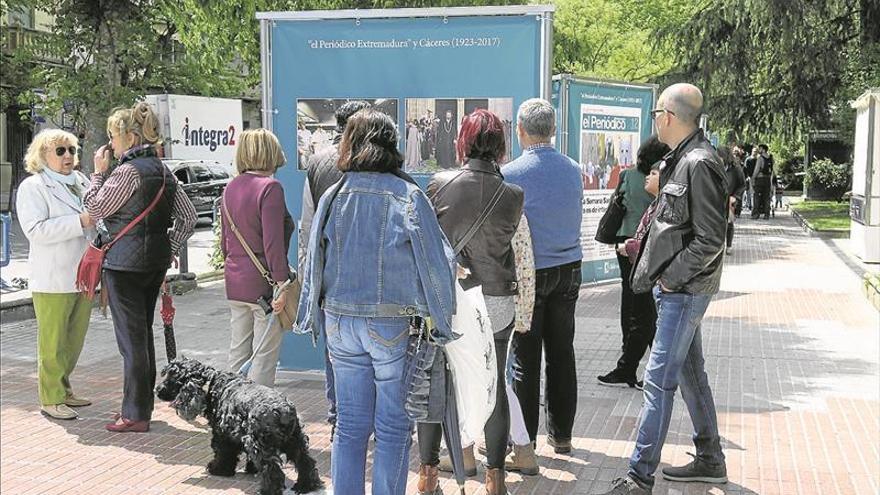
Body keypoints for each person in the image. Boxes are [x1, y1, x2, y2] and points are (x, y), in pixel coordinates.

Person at [296, 109, 456, 495]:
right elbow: (437, 263)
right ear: (391, 146)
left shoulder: (334, 195)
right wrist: (441, 320)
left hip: (339, 321)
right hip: (391, 323)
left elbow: (312, 258)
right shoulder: (408, 196)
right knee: (392, 428)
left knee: (349, 427)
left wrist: (310, 316)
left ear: (350, 143)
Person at [598, 83, 728, 495]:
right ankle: (710, 459)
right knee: (690, 375)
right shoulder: (682, 160)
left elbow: (711, 238)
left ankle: (639, 476)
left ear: (668, 116)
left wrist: (671, 277)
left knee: (658, 382)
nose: (654, 119)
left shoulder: (699, 163)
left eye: (657, 113)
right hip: (679, 289)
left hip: (683, 291)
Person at [419, 109, 525, 495]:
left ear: (462, 140)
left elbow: (429, 244)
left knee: (435, 382)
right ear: (500, 145)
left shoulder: (438, 183)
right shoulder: (513, 195)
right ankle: (496, 481)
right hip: (495, 300)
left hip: (448, 300)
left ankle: (428, 476)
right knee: (493, 385)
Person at [85, 102, 197, 433]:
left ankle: (135, 413)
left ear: (129, 137)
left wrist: (96, 174)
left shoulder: (125, 172)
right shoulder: (164, 171)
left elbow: (94, 208)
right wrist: (170, 248)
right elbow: (188, 219)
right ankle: (141, 407)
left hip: (123, 266)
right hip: (153, 265)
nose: (110, 144)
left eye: (112, 136)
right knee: (142, 335)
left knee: (131, 341)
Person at [503, 98, 583, 454]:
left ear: (520, 130)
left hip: (530, 274)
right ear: (553, 130)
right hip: (569, 270)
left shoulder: (510, 174)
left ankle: (525, 440)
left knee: (525, 357)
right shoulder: (573, 169)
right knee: (562, 353)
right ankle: (562, 436)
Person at [298, 100, 378, 436]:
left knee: (336, 349)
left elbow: (307, 227)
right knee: (373, 349)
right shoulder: (377, 163)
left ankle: (337, 415)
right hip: (370, 273)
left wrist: (307, 275)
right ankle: (367, 416)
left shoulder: (317, 164)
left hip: (330, 272)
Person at [16, 129, 95, 420]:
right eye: (60, 151)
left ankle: (64, 388)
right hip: (53, 277)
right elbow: (35, 230)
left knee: (74, 340)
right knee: (53, 342)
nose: (68, 156)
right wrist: (80, 221)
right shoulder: (33, 187)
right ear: (42, 156)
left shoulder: (82, 182)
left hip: (84, 274)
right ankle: (50, 397)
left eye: (72, 150)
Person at [222, 129, 295, 387]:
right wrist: (282, 284)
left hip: (235, 282)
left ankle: (228, 408)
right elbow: (272, 243)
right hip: (263, 286)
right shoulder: (270, 188)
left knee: (238, 352)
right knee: (263, 357)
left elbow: (225, 243)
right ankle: (258, 413)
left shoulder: (230, 188)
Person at [597, 134, 668, 389]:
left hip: (626, 243)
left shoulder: (627, 176)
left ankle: (632, 363)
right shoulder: (663, 179)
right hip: (648, 244)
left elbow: (620, 204)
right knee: (645, 305)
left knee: (633, 303)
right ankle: (643, 365)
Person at [718, 146, 746, 251]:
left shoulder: (735, 169)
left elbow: (742, 185)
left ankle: (728, 245)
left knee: (729, 222)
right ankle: (719, 245)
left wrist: (735, 197)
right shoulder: (715, 166)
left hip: (730, 199)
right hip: (717, 198)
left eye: (720, 156)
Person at [751, 144, 774, 220]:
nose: (759, 150)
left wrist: (753, 178)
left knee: (757, 197)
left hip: (760, 179)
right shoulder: (771, 158)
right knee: (766, 197)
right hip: (767, 180)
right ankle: (766, 214)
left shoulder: (760, 158)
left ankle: (755, 214)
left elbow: (756, 170)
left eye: (760, 149)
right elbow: (773, 170)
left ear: (763, 149)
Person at [742, 146, 758, 211]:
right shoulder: (748, 159)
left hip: (756, 177)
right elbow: (745, 169)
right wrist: (747, 177)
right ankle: (750, 205)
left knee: (754, 192)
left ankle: (754, 205)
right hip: (750, 177)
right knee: (749, 192)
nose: (755, 153)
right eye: (754, 151)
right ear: (752, 152)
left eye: (756, 152)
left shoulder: (758, 160)